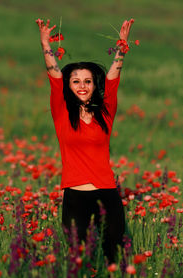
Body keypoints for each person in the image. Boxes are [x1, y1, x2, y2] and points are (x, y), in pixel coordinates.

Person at [36, 18, 134, 264]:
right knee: (78, 262)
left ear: (93, 85)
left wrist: (122, 48)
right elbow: (54, 75)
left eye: (87, 81)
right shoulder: (61, 113)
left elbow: (113, 79)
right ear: (68, 86)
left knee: (116, 260)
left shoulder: (106, 112)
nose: (82, 86)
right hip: (75, 199)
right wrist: (45, 43)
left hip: (107, 196)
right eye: (76, 81)